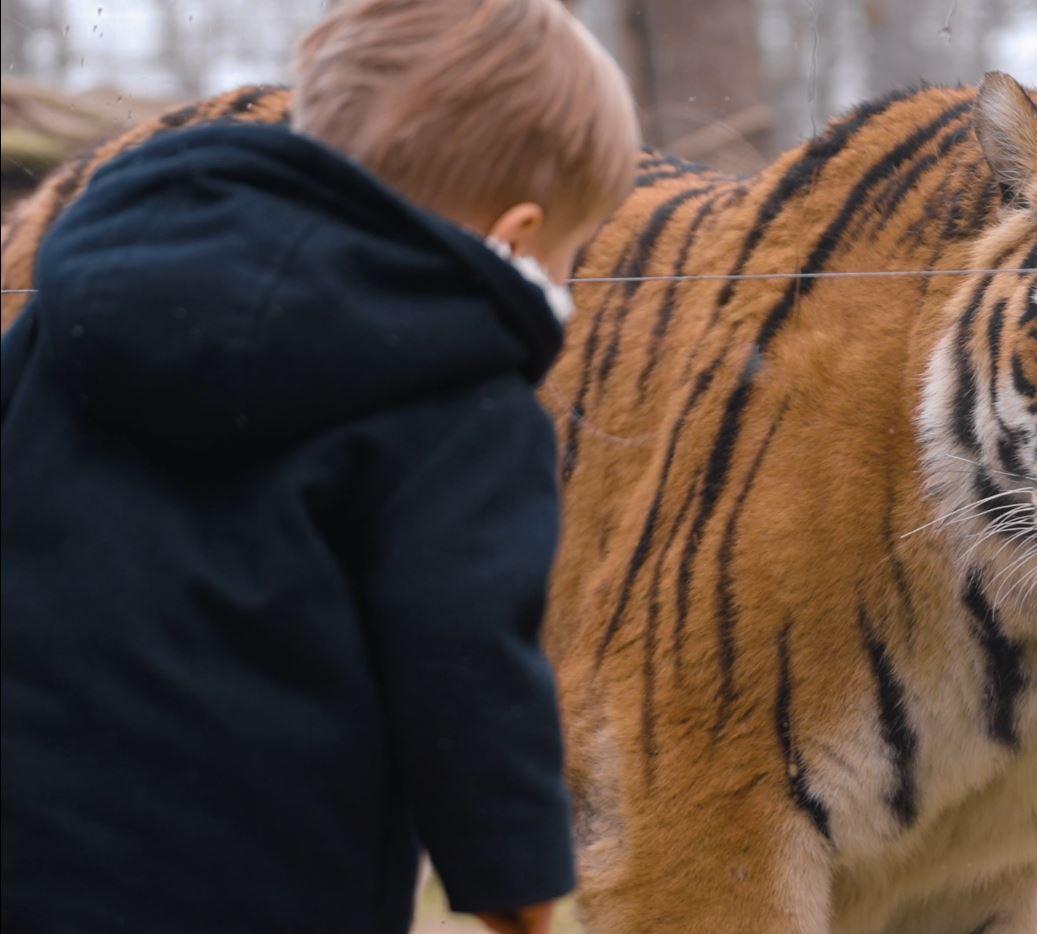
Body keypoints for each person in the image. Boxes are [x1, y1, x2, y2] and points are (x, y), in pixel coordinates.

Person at [0, 1, 638, 931]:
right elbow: (467, 666)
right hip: (270, 882)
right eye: (568, 258)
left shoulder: (85, 295)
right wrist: (517, 881)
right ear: (515, 235)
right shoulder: (461, 405)